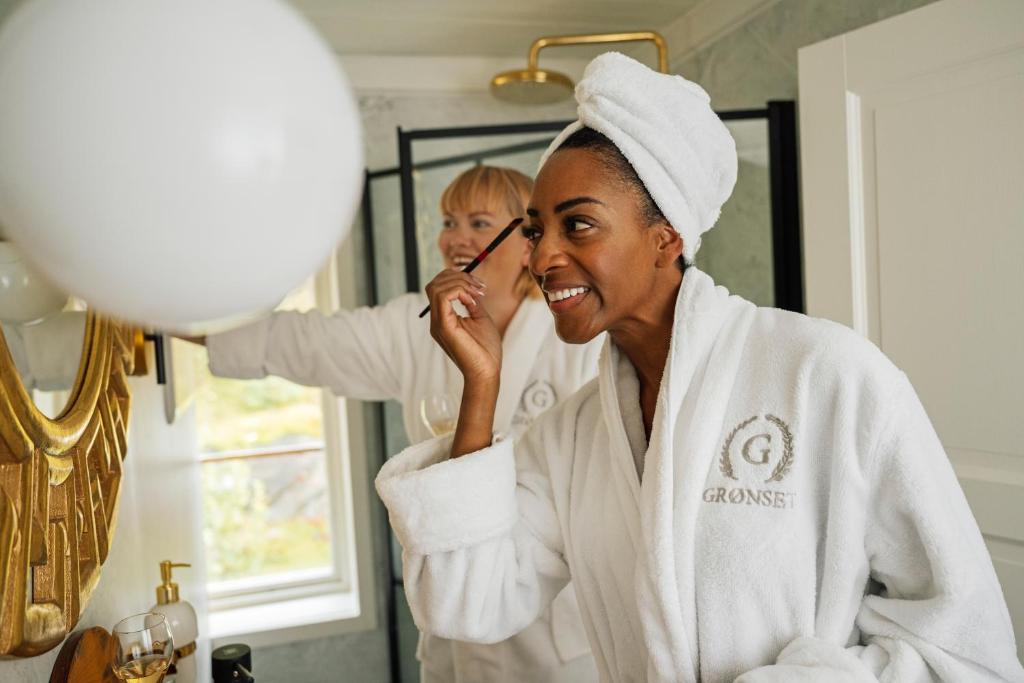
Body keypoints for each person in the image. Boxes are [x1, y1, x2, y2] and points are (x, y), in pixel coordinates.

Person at [376, 53, 1024, 682]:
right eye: (537, 228)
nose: (541, 256)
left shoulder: (826, 375)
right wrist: (480, 385)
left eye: (578, 225)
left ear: (667, 235)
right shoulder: (573, 436)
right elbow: (468, 601)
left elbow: (964, 646)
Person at [194, 166, 602, 682]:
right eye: (448, 221)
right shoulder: (416, 329)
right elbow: (303, 343)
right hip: (454, 621)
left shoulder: (578, 339)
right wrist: (171, 316)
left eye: (479, 223)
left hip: (549, 632)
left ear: (529, 242)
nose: (456, 238)